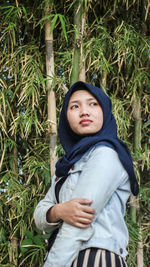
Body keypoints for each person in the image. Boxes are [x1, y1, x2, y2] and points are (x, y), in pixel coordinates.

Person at [34, 81, 139, 267]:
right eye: (75, 106)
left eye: (93, 104)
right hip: (69, 257)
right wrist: (58, 210)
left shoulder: (106, 153)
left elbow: (77, 226)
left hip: (96, 257)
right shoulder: (66, 166)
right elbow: (40, 215)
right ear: (65, 117)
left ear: (105, 111)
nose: (84, 111)